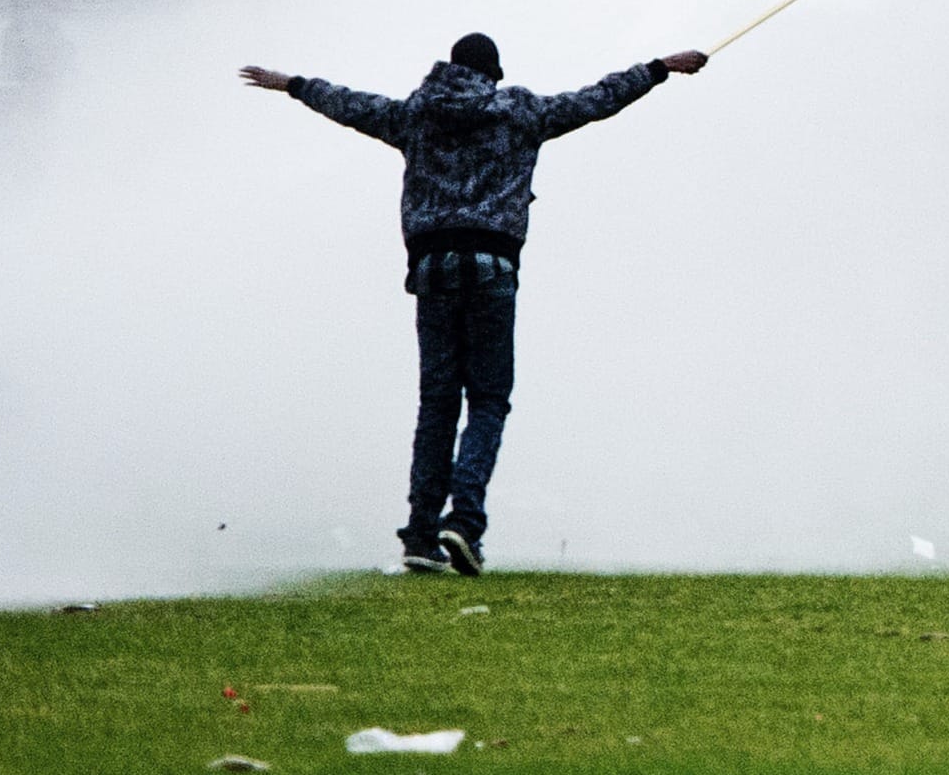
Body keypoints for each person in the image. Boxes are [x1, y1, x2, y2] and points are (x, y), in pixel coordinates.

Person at [240, 33, 706, 576]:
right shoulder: (520, 113)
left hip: (431, 269)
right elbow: (595, 100)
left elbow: (349, 104)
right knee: (487, 399)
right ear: (493, 73)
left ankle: (419, 534)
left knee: (437, 403)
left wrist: (293, 84)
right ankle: (463, 525)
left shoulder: (415, 115)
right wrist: (658, 67)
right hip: (492, 268)